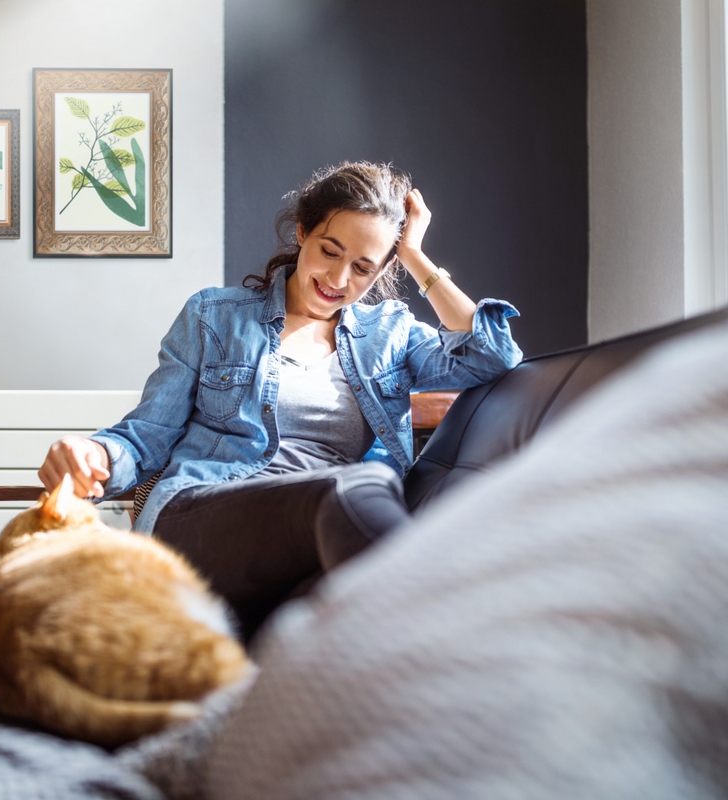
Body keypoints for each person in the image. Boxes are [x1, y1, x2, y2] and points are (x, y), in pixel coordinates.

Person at [38, 161, 523, 640]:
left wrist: (415, 255)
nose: (337, 278)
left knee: (320, 613)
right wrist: (95, 453)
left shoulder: (391, 335)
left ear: (384, 269)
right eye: (329, 251)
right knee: (354, 490)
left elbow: (493, 355)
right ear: (302, 232)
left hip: (320, 545)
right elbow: (148, 435)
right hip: (207, 513)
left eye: (362, 267)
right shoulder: (214, 316)